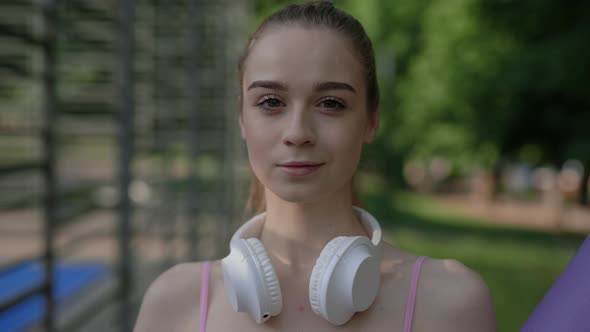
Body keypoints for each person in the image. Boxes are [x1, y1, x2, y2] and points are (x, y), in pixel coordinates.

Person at [133, 1, 497, 331]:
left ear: (371, 120)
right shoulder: (174, 304)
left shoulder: (451, 304)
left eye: (331, 103)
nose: (297, 133)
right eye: (271, 101)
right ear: (242, 119)